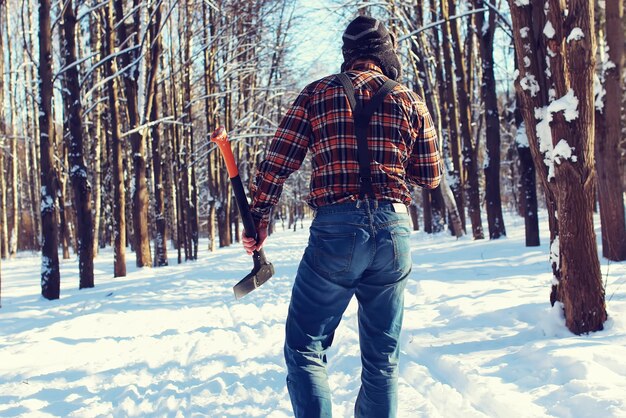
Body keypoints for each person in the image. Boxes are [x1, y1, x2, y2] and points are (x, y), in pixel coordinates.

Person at [242, 15, 442, 418]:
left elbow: (277, 164)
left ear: (347, 55)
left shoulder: (317, 94)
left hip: (337, 231)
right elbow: (430, 175)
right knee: (382, 359)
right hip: (394, 232)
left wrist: (259, 218)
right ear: (385, 54)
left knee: (304, 345)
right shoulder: (408, 99)